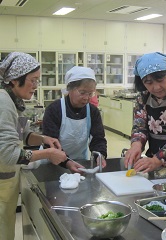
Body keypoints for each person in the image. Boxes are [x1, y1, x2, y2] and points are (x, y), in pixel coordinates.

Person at [0, 52, 68, 240]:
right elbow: (8, 155)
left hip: (7, 181)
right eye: (33, 80)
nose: (36, 86)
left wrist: (43, 139)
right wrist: (48, 154)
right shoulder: (3, 102)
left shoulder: (14, 102)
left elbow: (22, 134)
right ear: (14, 79)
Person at [42, 66, 107, 173]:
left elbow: (98, 138)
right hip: (52, 163)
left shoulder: (93, 111)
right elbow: (50, 143)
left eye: (90, 93)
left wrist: (100, 155)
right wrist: (66, 162)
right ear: (70, 89)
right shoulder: (54, 110)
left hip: (80, 162)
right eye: (82, 92)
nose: (86, 98)